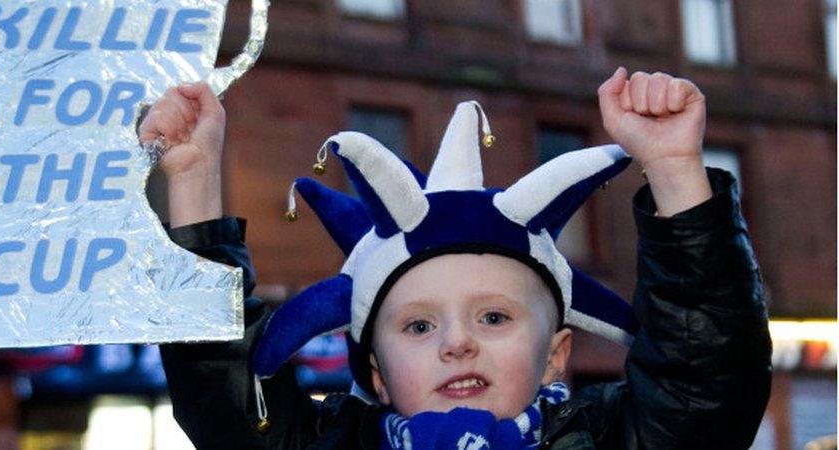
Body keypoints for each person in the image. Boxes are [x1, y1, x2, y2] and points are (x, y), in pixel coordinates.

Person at [139, 68, 771, 449]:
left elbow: (705, 379)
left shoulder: (619, 438)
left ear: (555, 354)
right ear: (377, 373)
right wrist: (192, 183)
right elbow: (222, 395)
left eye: (494, 318)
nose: (457, 344)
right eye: (418, 325)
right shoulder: (325, 444)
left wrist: (673, 169)